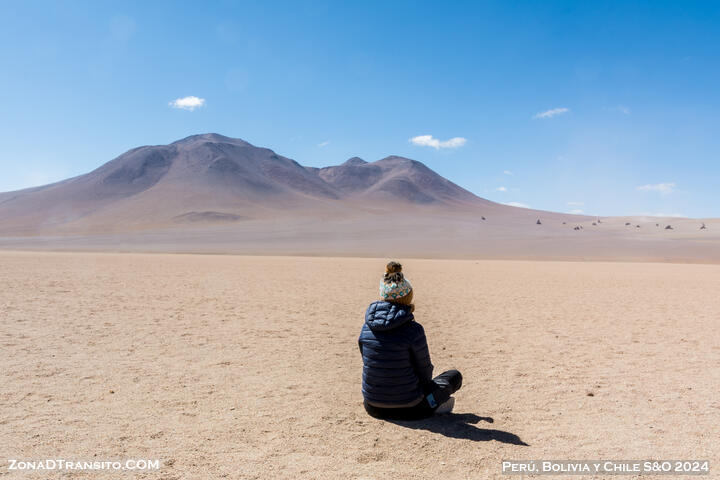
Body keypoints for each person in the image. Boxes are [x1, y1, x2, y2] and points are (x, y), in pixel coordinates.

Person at [358, 261, 463, 420]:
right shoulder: (413, 330)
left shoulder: (366, 328)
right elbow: (425, 372)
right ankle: (434, 405)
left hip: (372, 406)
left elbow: (368, 362)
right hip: (411, 407)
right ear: (408, 297)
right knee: (454, 377)